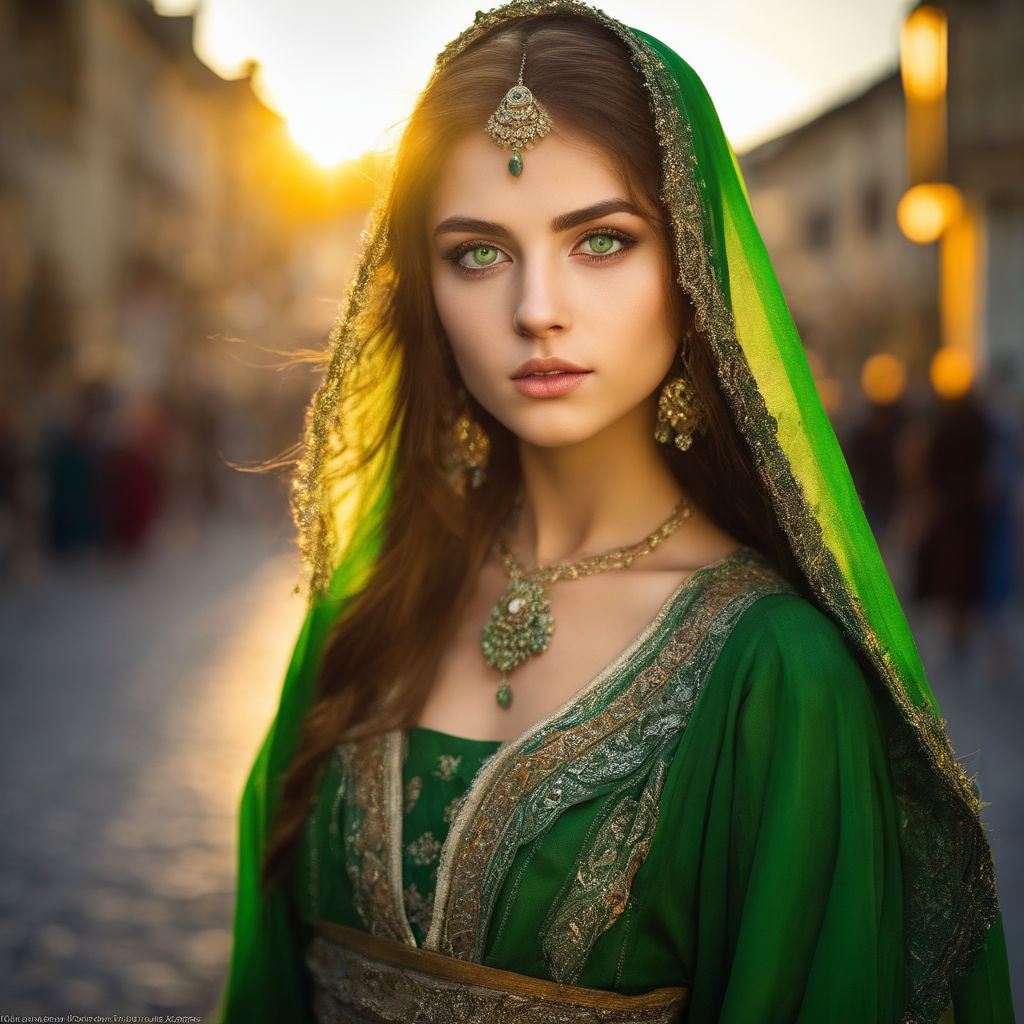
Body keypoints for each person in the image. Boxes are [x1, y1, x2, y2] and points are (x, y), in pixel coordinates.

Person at [217, 3, 1014, 1022]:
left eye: (600, 240)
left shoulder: (775, 675)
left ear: (690, 277)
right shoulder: (365, 619)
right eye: (476, 252)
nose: (536, 306)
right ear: (422, 288)